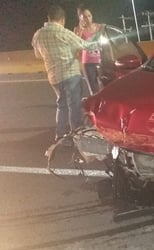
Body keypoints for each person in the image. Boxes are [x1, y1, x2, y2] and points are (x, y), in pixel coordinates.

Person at [32, 5, 99, 145]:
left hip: (54, 77)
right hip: (70, 75)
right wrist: (98, 42)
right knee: (74, 106)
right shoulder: (64, 33)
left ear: (49, 18)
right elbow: (85, 45)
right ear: (62, 19)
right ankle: (77, 134)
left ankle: (60, 136)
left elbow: (38, 55)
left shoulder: (38, 34)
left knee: (61, 105)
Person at [74, 4, 103, 95]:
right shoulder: (78, 30)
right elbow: (76, 46)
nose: (88, 19)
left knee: (105, 87)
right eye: (85, 17)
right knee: (94, 90)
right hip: (88, 63)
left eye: (89, 16)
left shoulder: (99, 27)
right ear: (80, 18)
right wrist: (81, 31)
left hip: (101, 61)